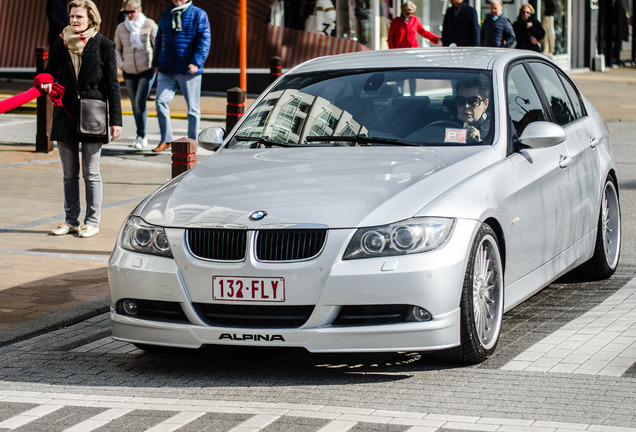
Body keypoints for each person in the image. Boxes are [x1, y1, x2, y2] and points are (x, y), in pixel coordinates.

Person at [40, 0, 122, 238]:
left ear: (91, 19)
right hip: (65, 114)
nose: (74, 21)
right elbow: (49, 70)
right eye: (72, 17)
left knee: (91, 172)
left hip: (93, 115)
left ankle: (92, 221)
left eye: (79, 17)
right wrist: (44, 80)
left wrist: (115, 120)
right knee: (69, 174)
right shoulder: (61, 42)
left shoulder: (104, 45)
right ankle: (70, 220)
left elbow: (112, 85)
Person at [152, 0, 211, 152]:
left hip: (188, 69)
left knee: (192, 108)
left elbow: (204, 40)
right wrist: (156, 61)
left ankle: (192, 141)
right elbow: (159, 39)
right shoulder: (167, 13)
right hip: (166, 68)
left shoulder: (199, 14)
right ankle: (166, 139)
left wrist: (196, 62)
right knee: (160, 101)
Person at [114, 0, 158, 150]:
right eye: (127, 12)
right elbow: (116, 49)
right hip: (129, 71)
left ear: (139, 9)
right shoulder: (121, 27)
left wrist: (155, 63)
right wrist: (122, 65)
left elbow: (158, 45)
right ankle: (140, 135)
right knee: (135, 104)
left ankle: (142, 135)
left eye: (132, 11)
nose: (130, 15)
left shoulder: (149, 24)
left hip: (147, 70)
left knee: (140, 102)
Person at [454, 78, 490, 143]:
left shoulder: (495, 130)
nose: (466, 106)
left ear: (485, 104)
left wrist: (480, 142)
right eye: (461, 100)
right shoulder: (446, 124)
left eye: (473, 101)